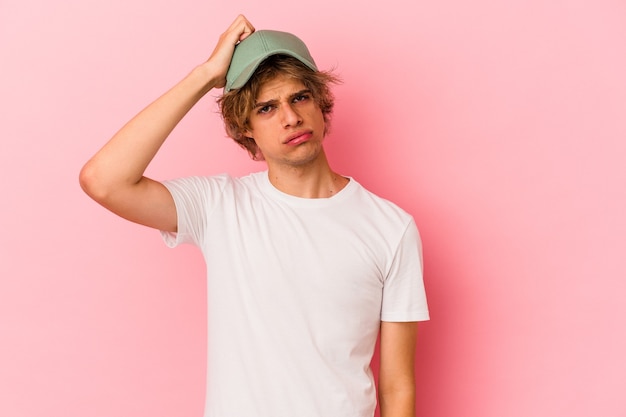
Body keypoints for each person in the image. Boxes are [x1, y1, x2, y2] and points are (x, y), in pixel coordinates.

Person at [80, 14, 429, 417]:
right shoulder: (219, 207)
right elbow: (103, 180)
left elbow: (398, 385)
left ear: (319, 102)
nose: (290, 118)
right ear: (244, 128)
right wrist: (205, 75)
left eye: (299, 97)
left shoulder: (391, 227)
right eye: (267, 108)